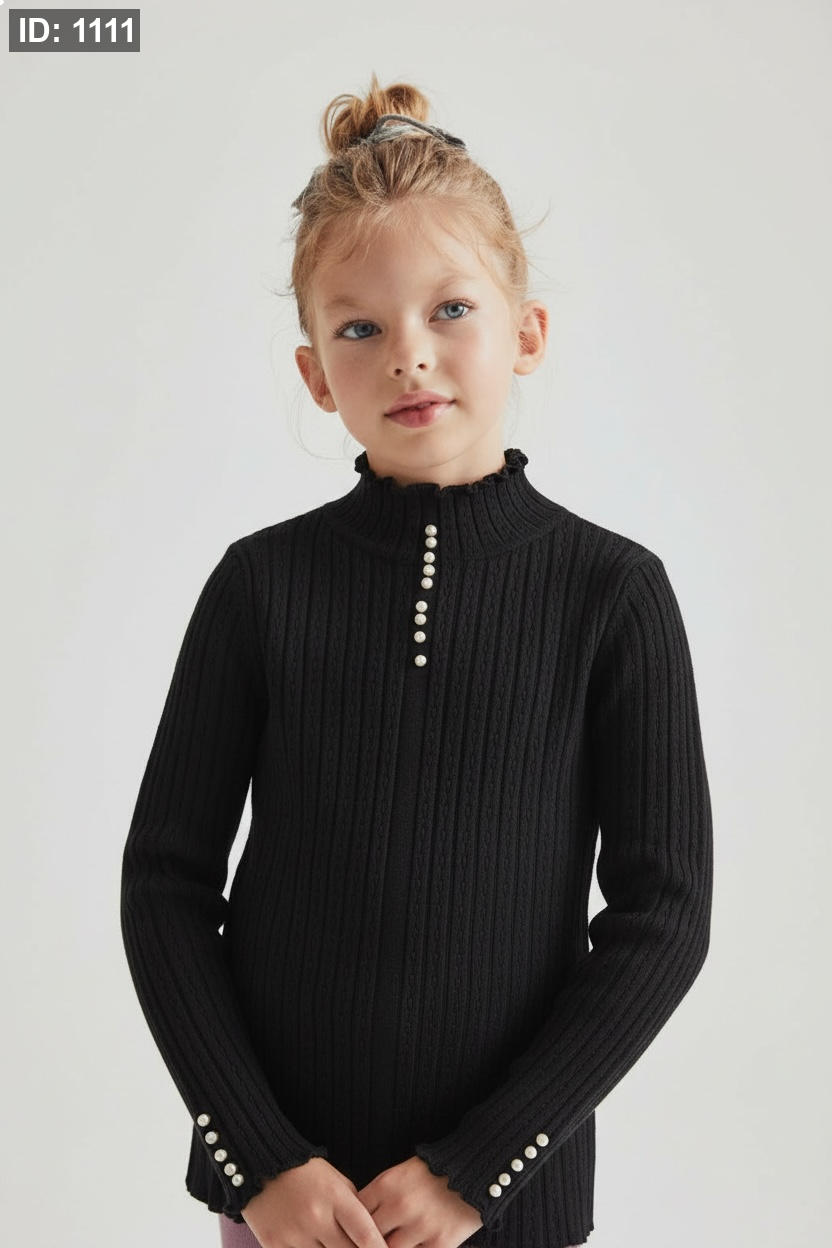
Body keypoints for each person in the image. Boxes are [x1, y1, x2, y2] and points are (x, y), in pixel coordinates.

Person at [120, 73, 713, 1248]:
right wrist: (259, 1160)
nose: (408, 356)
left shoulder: (612, 593)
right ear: (313, 373)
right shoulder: (259, 586)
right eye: (359, 328)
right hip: (287, 1206)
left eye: (450, 310)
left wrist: (478, 1171)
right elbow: (166, 883)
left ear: (526, 332)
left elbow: (665, 915)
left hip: (502, 1210)